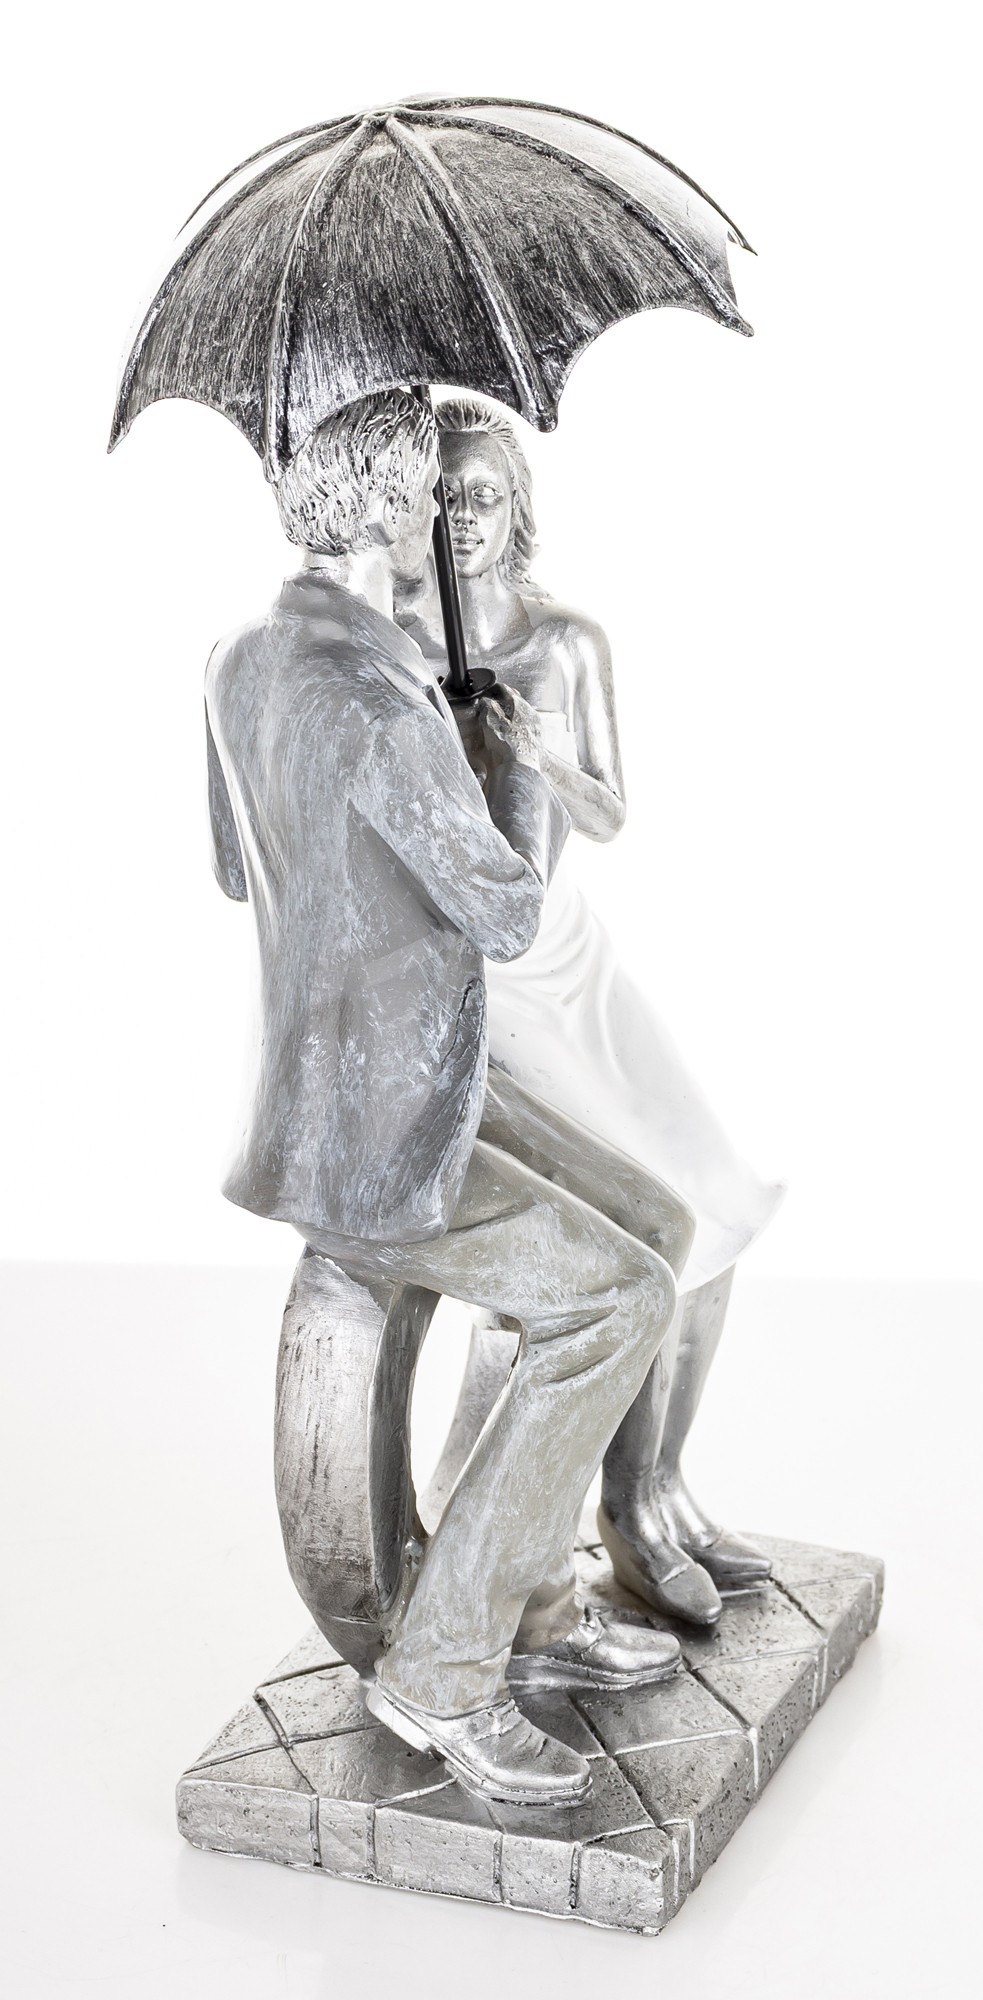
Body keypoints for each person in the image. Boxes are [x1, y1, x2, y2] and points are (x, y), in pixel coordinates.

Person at [204, 389, 695, 1809]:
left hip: (356, 1081)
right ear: (379, 508)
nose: (437, 514)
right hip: (387, 1134)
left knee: (657, 1218)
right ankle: (446, 1673)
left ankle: (524, 1589)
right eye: (423, 491)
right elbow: (505, 911)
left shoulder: (239, 657)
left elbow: (234, 868)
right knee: (619, 1300)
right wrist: (489, 759)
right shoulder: (378, 702)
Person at [397, 395, 783, 1626]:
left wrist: (531, 756)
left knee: (717, 1198)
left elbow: (607, 813)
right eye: (443, 496)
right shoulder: (388, 642)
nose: (462, 517)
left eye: (483, 495)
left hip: (568, 954)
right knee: (642, 1225)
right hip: (476, 975)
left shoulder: (564, 642)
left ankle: (650, 1488)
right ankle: (599, 1519)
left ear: (516, 506)